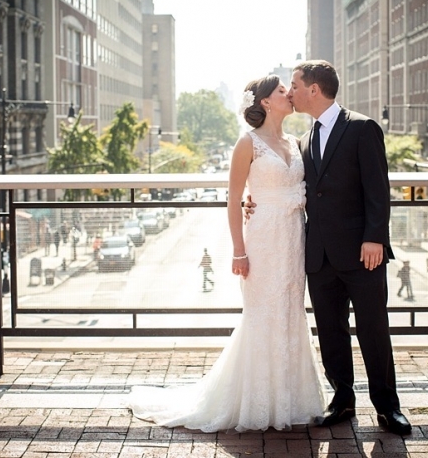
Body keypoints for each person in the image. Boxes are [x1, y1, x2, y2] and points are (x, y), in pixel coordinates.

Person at [128, 75, 324, 432]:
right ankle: (257, 401)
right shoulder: (246, 143)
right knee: (262, 315)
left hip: (294, 240)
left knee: (291, 311)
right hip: (262, 240)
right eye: (283, 91)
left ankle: (291, 399)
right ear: (265, 101)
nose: (290, 94)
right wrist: (238, 251)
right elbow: (234, 199)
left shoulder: (296, 142)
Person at [246, 60, 410, 435]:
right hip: (317, 254)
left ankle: (388, 407)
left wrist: (375, 238)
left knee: (373, 328)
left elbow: (378, 190)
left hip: (361, 252)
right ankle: (343, 399)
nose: (290, 92)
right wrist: (251, 201)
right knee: (331, 331)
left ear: (314, 90)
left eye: (295, 85)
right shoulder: (303, 141)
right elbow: (295, 190)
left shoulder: (362, 128)